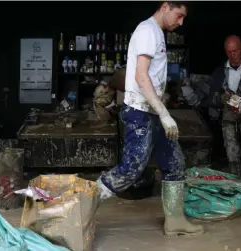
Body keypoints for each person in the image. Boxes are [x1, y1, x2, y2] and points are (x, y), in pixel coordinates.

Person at [95, 1, 204, 237]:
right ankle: (82, 205)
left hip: (152, 111)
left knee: (175, 165)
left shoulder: (157, 33)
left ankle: (174, 221)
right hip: (141, 113)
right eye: (179, 15)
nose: (181, 22)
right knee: (130, 170)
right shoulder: (147, 30)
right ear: (165, 6)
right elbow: (141, 76)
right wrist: (164, 113)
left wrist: (161, 111)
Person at [182, 35, 241, 207]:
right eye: (229, 52)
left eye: (235, 51)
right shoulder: (220, 71)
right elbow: (211, 98)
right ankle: (236, 191)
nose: (232, 55)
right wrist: (221, 98)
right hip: (229, 117)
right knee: (232, 154)